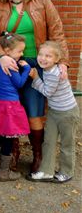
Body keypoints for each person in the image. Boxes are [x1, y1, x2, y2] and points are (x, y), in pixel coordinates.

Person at [0, 0, 69, 174]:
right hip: (8, 64)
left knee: (34, 111)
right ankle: (11, 153)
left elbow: (57, 29)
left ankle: (38, 154)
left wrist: (63, 62)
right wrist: (2, 56)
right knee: (10, 108)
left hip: (35, 64)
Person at [27, 41, 79, 183]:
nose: (43, 58)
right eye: (41, 54)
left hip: (68, 113)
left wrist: (35, 78)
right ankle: (46, 171)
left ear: (57, 60)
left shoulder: (56, 73)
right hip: (54, 112)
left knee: (66, 144)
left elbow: (47, 92)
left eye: (48, 56)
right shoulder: (46, 69)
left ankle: (66, 172)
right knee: (48, 142)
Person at [0, 32, 30, 181]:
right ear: (8, 51)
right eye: (20, 51)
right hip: (10, 105)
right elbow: (20, 83)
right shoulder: (11, 63)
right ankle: (4, 172)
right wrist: (27, 69)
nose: (22, 54)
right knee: (9, 137)